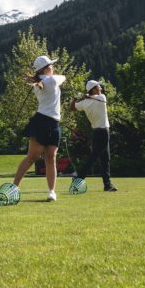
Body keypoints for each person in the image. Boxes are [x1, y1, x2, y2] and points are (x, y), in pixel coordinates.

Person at [12, 55, 66, 201]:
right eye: (51, 65)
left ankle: (51, 192)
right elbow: (63, 77)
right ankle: (14, 187)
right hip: (43, 121)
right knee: (34, 157)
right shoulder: (52, 80)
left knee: (49, 157)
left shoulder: (40, 82)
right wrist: (49, 75)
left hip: (52, 122)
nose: (53, 68)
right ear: (47, 68)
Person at [70, 80, 118, 192]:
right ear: (94, 89)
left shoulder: (85, 103)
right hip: (104, 132)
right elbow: (95, 97)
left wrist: (76, 98)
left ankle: (107, 185)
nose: (101, 88)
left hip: (96, 133)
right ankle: (78, 178)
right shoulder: (102, 98)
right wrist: (86, 96)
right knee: (94, 157)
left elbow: (72, 108)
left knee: (105, 159)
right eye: (98, 86)